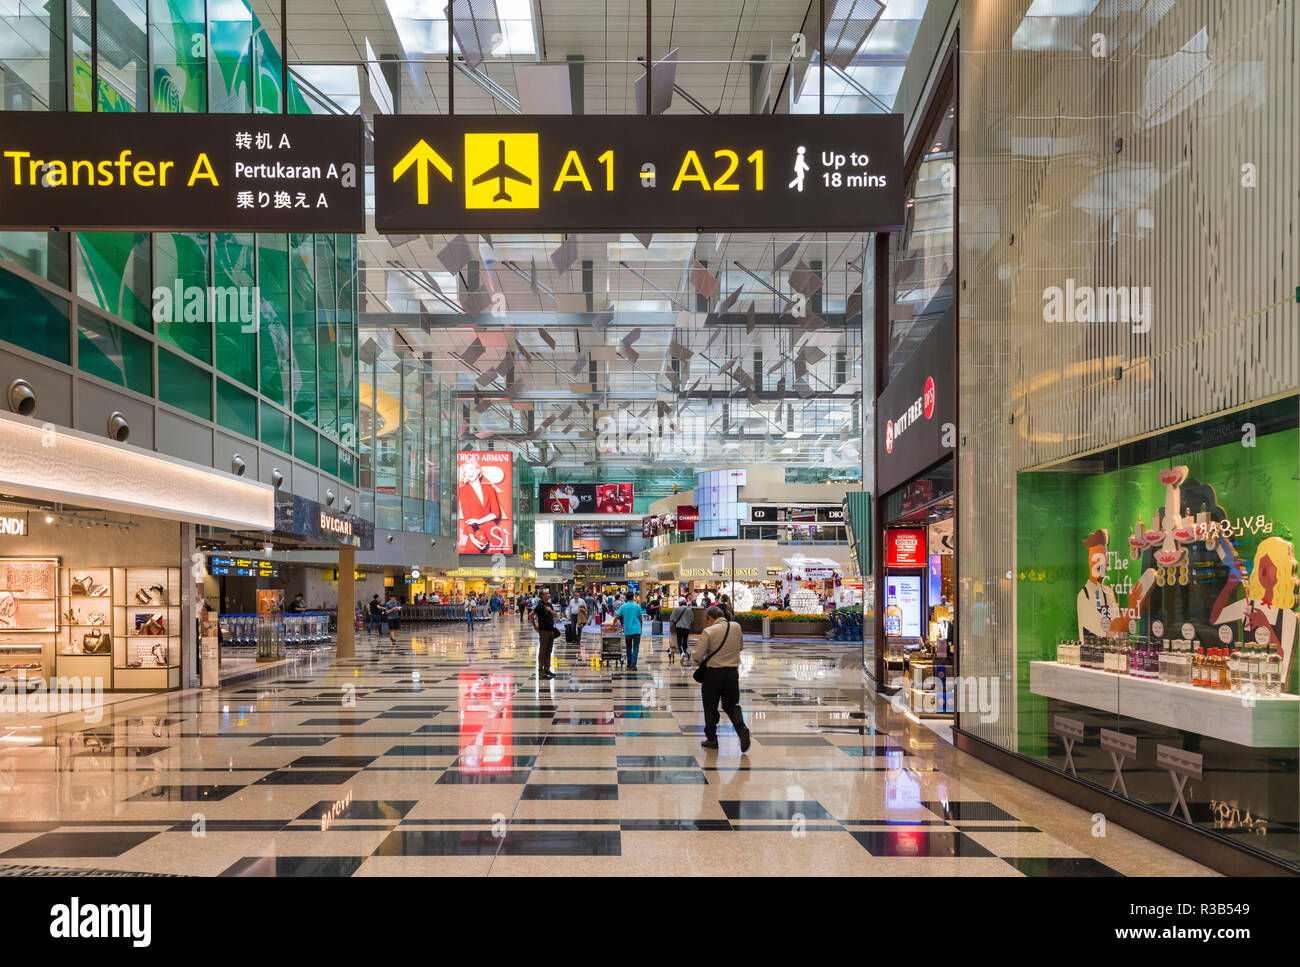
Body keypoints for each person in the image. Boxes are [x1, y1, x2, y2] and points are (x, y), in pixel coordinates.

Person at [692, 605, 750, 753]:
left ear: (710, 618)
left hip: (713, 675)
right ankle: (741, 729)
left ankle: (712, 739)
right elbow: (740, 647)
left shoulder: (709, 631)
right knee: (731, 705)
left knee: (710, 706)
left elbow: (697, 657)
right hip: (732, 673)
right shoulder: (736, 627)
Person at [531, 587, 558, 680]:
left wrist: (550, 611)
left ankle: (547, 669)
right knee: (543, 651)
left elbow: (555, 615)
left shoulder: (549, 604)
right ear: (542, 596)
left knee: (549, 651)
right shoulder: (540, 605)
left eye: (549, 593)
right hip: (543, 631)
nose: (549, 595)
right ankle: (540, 670)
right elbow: (531, 615)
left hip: (551, 631)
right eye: (547, 593)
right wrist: (535, 626)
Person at [617, 593, 646, 670]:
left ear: (626, 597)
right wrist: (641, 628)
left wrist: (613, 624)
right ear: (633, 597)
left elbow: (617, 616)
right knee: (636, 648)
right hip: (637, 630)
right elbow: (641, 619)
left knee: (628, 648)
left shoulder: (623, 606)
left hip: (628, 630)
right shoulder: (637, 606)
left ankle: (629, 664)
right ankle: (633, 665)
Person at [669, 597, 693, 663]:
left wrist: (675, 620)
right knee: (685, 641)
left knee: (679, 641)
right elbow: (692, 618)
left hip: (679, 627)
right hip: (687, 628)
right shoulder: (689, 609)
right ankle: (684, 653)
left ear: (679, 603)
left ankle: (681, 653)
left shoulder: (677, 609)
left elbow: (671, 618)